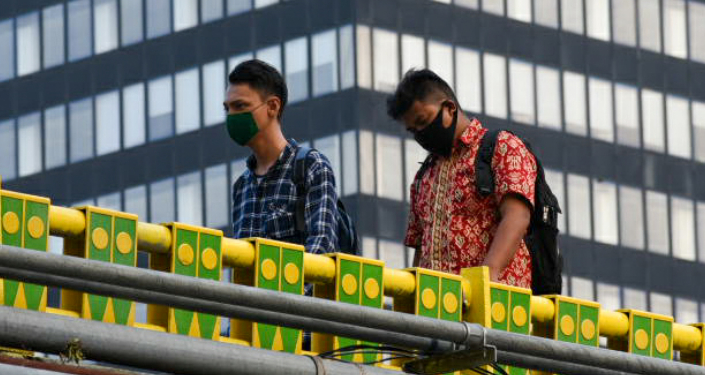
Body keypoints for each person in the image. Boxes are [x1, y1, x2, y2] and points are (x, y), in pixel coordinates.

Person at [388, 68, 537, 288]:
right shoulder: (424, 175)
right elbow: (421, 246)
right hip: (437, 310)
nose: (421, 133)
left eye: (423, 120)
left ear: (449, 108)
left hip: (494, 308)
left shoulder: (502, 147)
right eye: (413, 130)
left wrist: (485, 280)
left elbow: (518, 216)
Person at [226, 59, 353, 256]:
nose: (231, 116)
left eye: (240, 106)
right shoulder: (241, 186)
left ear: (273, 106)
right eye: (228, 109)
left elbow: (321, 249)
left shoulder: (311, 166)